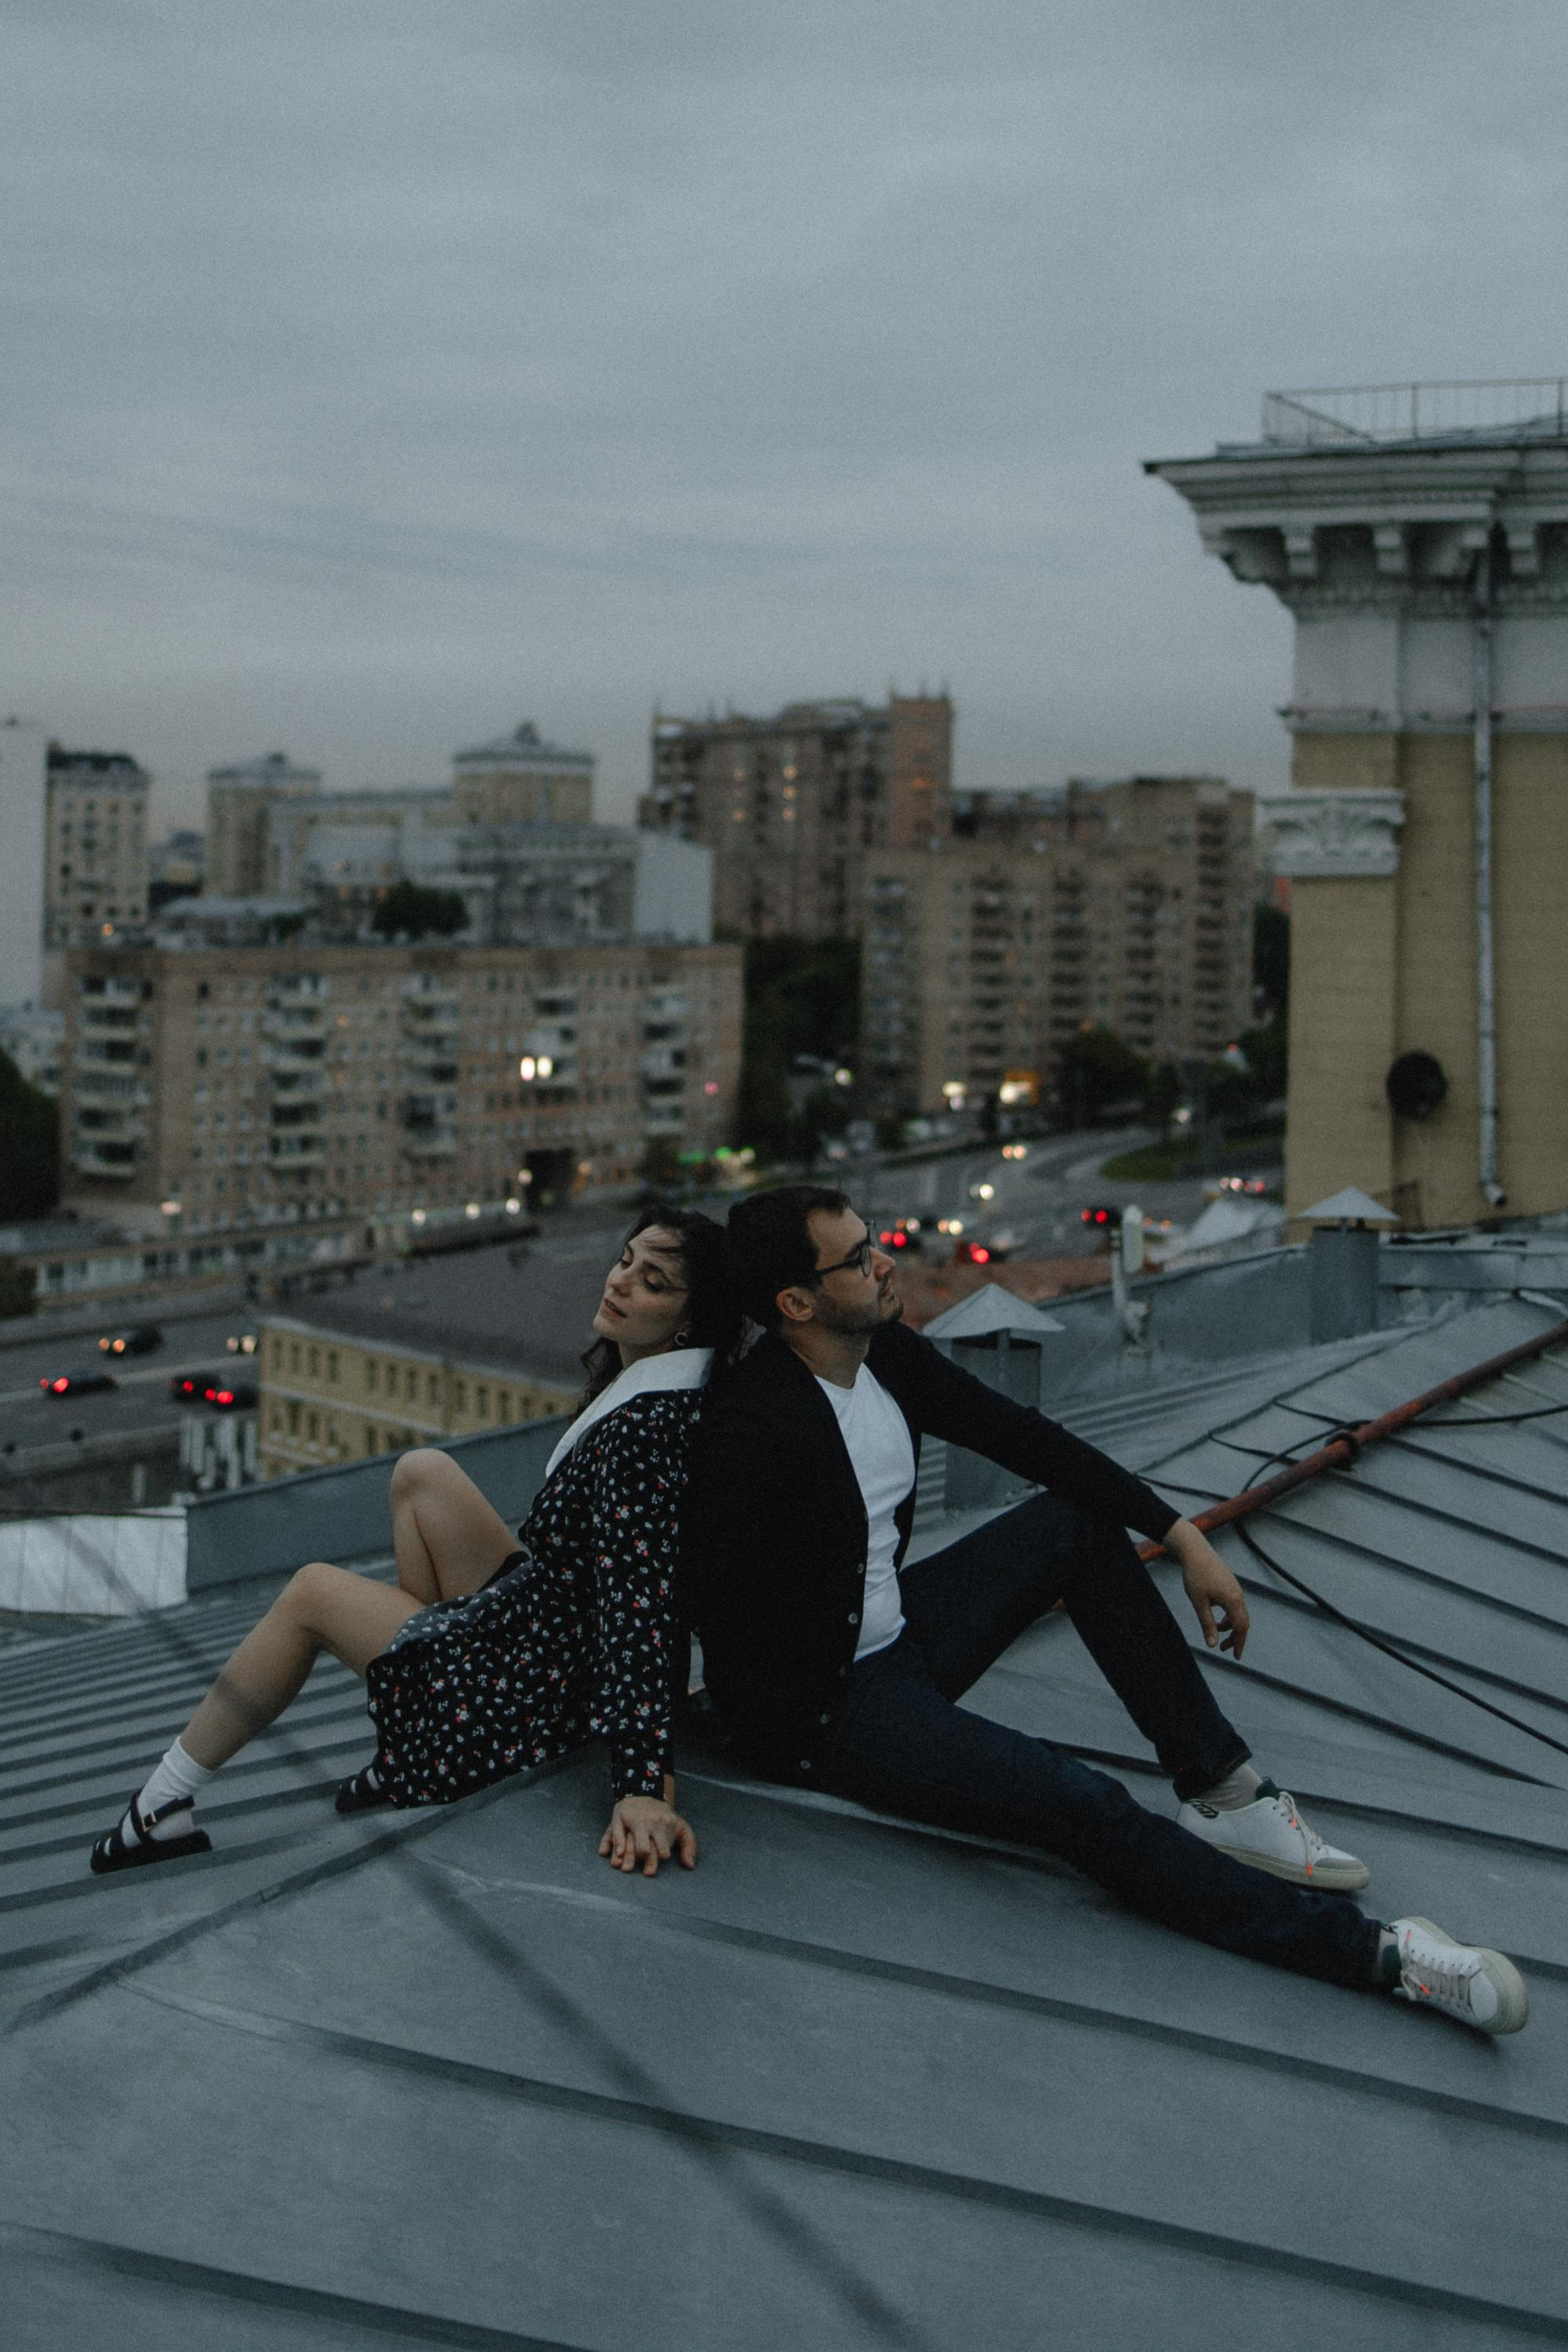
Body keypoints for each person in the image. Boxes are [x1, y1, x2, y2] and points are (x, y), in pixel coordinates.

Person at [681, 1186, 1528, 2037]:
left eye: (875, 1242)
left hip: (897, 1636)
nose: (885, 1262)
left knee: (1072, 1524)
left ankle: (1221, 1791)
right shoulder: (754, 1429)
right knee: (1080, 1803)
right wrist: (642, 1781)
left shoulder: (881, 1358)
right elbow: (676, 1599)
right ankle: (1382, 1957)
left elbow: (1025, 1439)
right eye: (859, 1259)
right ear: (797, 1303)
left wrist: (1177, 1532)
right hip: (827, 1714)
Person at [90, 1207, 740, 1882]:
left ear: (691, 1319)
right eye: (627, 1258)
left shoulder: (643, 1433)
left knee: (311, 1591)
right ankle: (416, 1730)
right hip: (543, 1637)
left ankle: (158, 1810)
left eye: (655, 1281)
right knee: (421, 1473)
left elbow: (641, 1608)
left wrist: (640, 1784)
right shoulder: (666, 1390)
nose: (622, 1281)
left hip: (532, 1695)